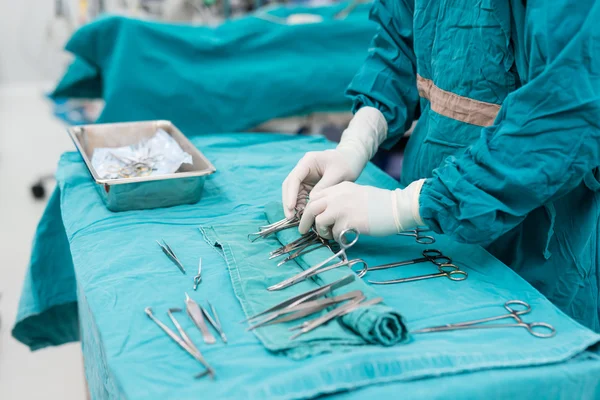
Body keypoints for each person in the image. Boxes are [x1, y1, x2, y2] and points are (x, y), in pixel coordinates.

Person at [282, 0, 600, 332]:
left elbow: (563, 117)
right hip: (425, 225)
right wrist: (360, 136)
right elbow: (402, 40)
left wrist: (406, 205)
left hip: (538, 239)